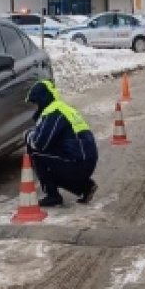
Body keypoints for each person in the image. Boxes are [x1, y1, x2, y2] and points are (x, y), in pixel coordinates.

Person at [24, 79, 98, 207]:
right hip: (85, 159)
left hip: (78, 161)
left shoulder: (54, 112)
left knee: (37, 156)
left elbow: (40, 143)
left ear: (42, 100)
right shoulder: (63, 109)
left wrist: (28, 135)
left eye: (36, 103)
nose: (35, 107)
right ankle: (85, 187)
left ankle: (52, 196)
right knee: (51, 158)